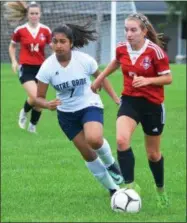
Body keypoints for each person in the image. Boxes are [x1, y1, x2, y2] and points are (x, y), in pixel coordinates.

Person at [91, 13, 172, 207]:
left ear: (144, 31)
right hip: (130, 101)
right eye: (126, 29)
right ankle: (130, 187)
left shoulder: (155, 52)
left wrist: (148, 80)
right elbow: (116, 62)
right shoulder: (121, 48)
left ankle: (160, 190)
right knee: (121, 140)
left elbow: (168, 78)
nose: (129, 34)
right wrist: (100, 78)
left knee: (153, 154)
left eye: (133, 30)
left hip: (152, 105)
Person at [34, 23, 124, 196]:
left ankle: (111, 165)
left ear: (71, 43)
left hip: (89, 105)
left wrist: (114, 97)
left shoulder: (84, 60)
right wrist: (47, 104)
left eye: (62, 41)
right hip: (67, 115)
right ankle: (113, 189)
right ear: (51, 44)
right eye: (55, 41)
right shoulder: (47, 67)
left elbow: (102, 78)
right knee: (88, 154)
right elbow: (38, 97)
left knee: (95, 140)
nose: (58, 45)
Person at [4, 1, 51, 133]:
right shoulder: (20, 30)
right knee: (37, 98)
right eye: (32, 13)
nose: (34, 16)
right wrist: (14, 61)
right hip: (26, 68)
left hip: (42, 69)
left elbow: (53, 46)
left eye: (36, 13)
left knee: (38, 99)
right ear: (27, 15)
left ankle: (32, 126)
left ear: (40, 14)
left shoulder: (46, 30)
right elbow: (12, 46)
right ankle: (24, 112)